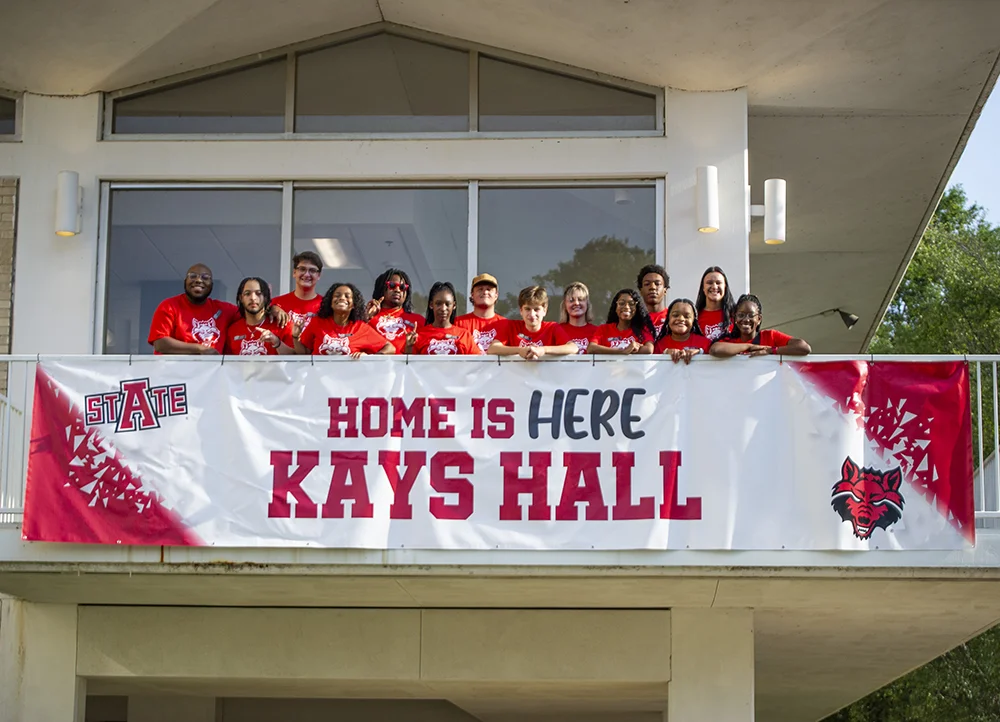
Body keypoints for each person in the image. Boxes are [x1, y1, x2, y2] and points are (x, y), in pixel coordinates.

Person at [148, 263, 241, 355]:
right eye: (192, 276)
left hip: (212, 370)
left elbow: (250, 316)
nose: (198, 280)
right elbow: (160, 344)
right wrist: (199, 348)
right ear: (185, 281)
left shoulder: (224, 310)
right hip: (174, 369)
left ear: (211, 285)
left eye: (205, 277)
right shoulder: (169, 306)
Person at [296, 283, 394, 358]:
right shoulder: (317, 322)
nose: (342, 298)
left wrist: (369, 358)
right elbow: (305, 353)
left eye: (347, 296)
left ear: (353, 305)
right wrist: (295, 337)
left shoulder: (361, 327)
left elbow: (390, 348)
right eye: (337, 295)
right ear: (330, 303)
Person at [487, 286, 578, 360]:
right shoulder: (511, 326)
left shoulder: (552, 327)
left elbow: (573, 348)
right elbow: (492, 348)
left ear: (544, 311)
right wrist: (519, 350)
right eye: (527, 309)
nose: (532, 314)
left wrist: (543, 350)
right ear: (521, 310)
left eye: (536, 309)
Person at [710, 293, 811, 357]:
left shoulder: (770, 336)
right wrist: (750, 347)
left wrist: (770, 351)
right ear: (735, 318)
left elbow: (804, 348)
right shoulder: (729, 340)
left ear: (759, 319)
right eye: (741, 315)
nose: (746, 319)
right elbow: (715, 350)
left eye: (751, 315)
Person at [404, 281, 483, 355]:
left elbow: (477, 364)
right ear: (431, 305)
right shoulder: (420, 335)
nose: (443, 308)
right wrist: (408, 347)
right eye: (438, 304)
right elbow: (408, 366)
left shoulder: (464, 335)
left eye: (448, 304)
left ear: (454, 305)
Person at [225, 277, 296, 355]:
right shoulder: (232, 330)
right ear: (241, 298)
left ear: (265, 298)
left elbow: (296, 359)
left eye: (258, 293)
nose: (253, 298)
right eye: (247, 293)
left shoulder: (283, 324)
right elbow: (227, 364)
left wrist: (277, 342)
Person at [364, 268, 425, 353]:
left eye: (402, 287)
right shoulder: (368, 317)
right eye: (392, 285)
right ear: (381, 289)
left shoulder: (418, 321)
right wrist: (366, 318)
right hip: (374, 365)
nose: (397, 290)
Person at [271, 251, 323, 336]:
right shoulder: (276, 304)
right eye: (302, 269)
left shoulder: (326, 306)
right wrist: (270, 309)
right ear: (294, 272)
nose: (306, 274)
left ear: (319, 275)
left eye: (312, 270)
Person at [455, 273, 509, 354]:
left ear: (496, 295)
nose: (485, 292)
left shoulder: (507, 324)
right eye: (480, 289)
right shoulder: (457, 323)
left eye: (489, 289)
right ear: (472, 295)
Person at [590, 289, 655, 355]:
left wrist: (633, 347)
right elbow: (591, 348)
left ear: (636, 308)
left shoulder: (642, 329)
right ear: (616, 307)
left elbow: (649, 349)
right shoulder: (604, 329)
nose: (626, 307)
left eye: (631, 304)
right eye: (621, 303)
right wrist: (623, 351)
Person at [654, 298, 711, 364]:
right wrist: (665, 353)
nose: (681, 319)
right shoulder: (659, 345)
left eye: (687, 316)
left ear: (693, 321)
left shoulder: (706, 344)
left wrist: (700, 352)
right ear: (668, 319)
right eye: (675, 315)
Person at [695, 266, 735, 342]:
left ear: (725, 287)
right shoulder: (694, 317)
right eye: (709, 283)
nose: (714, 287)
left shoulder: (736, 314)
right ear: (703, 288)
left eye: (718, 283)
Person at [558, 282, 599, 354]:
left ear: (587, 303)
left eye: (580, 299)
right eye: (571, 300)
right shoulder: (557, 330)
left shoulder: (598, 332)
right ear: (565, 305)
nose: (576, 303)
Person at [637, 263, 670, 337]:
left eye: (657, 284)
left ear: (665, 290)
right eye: (647, 284)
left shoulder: (672, 318)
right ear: (640, 290)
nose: (652, 287)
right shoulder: (634, 319)